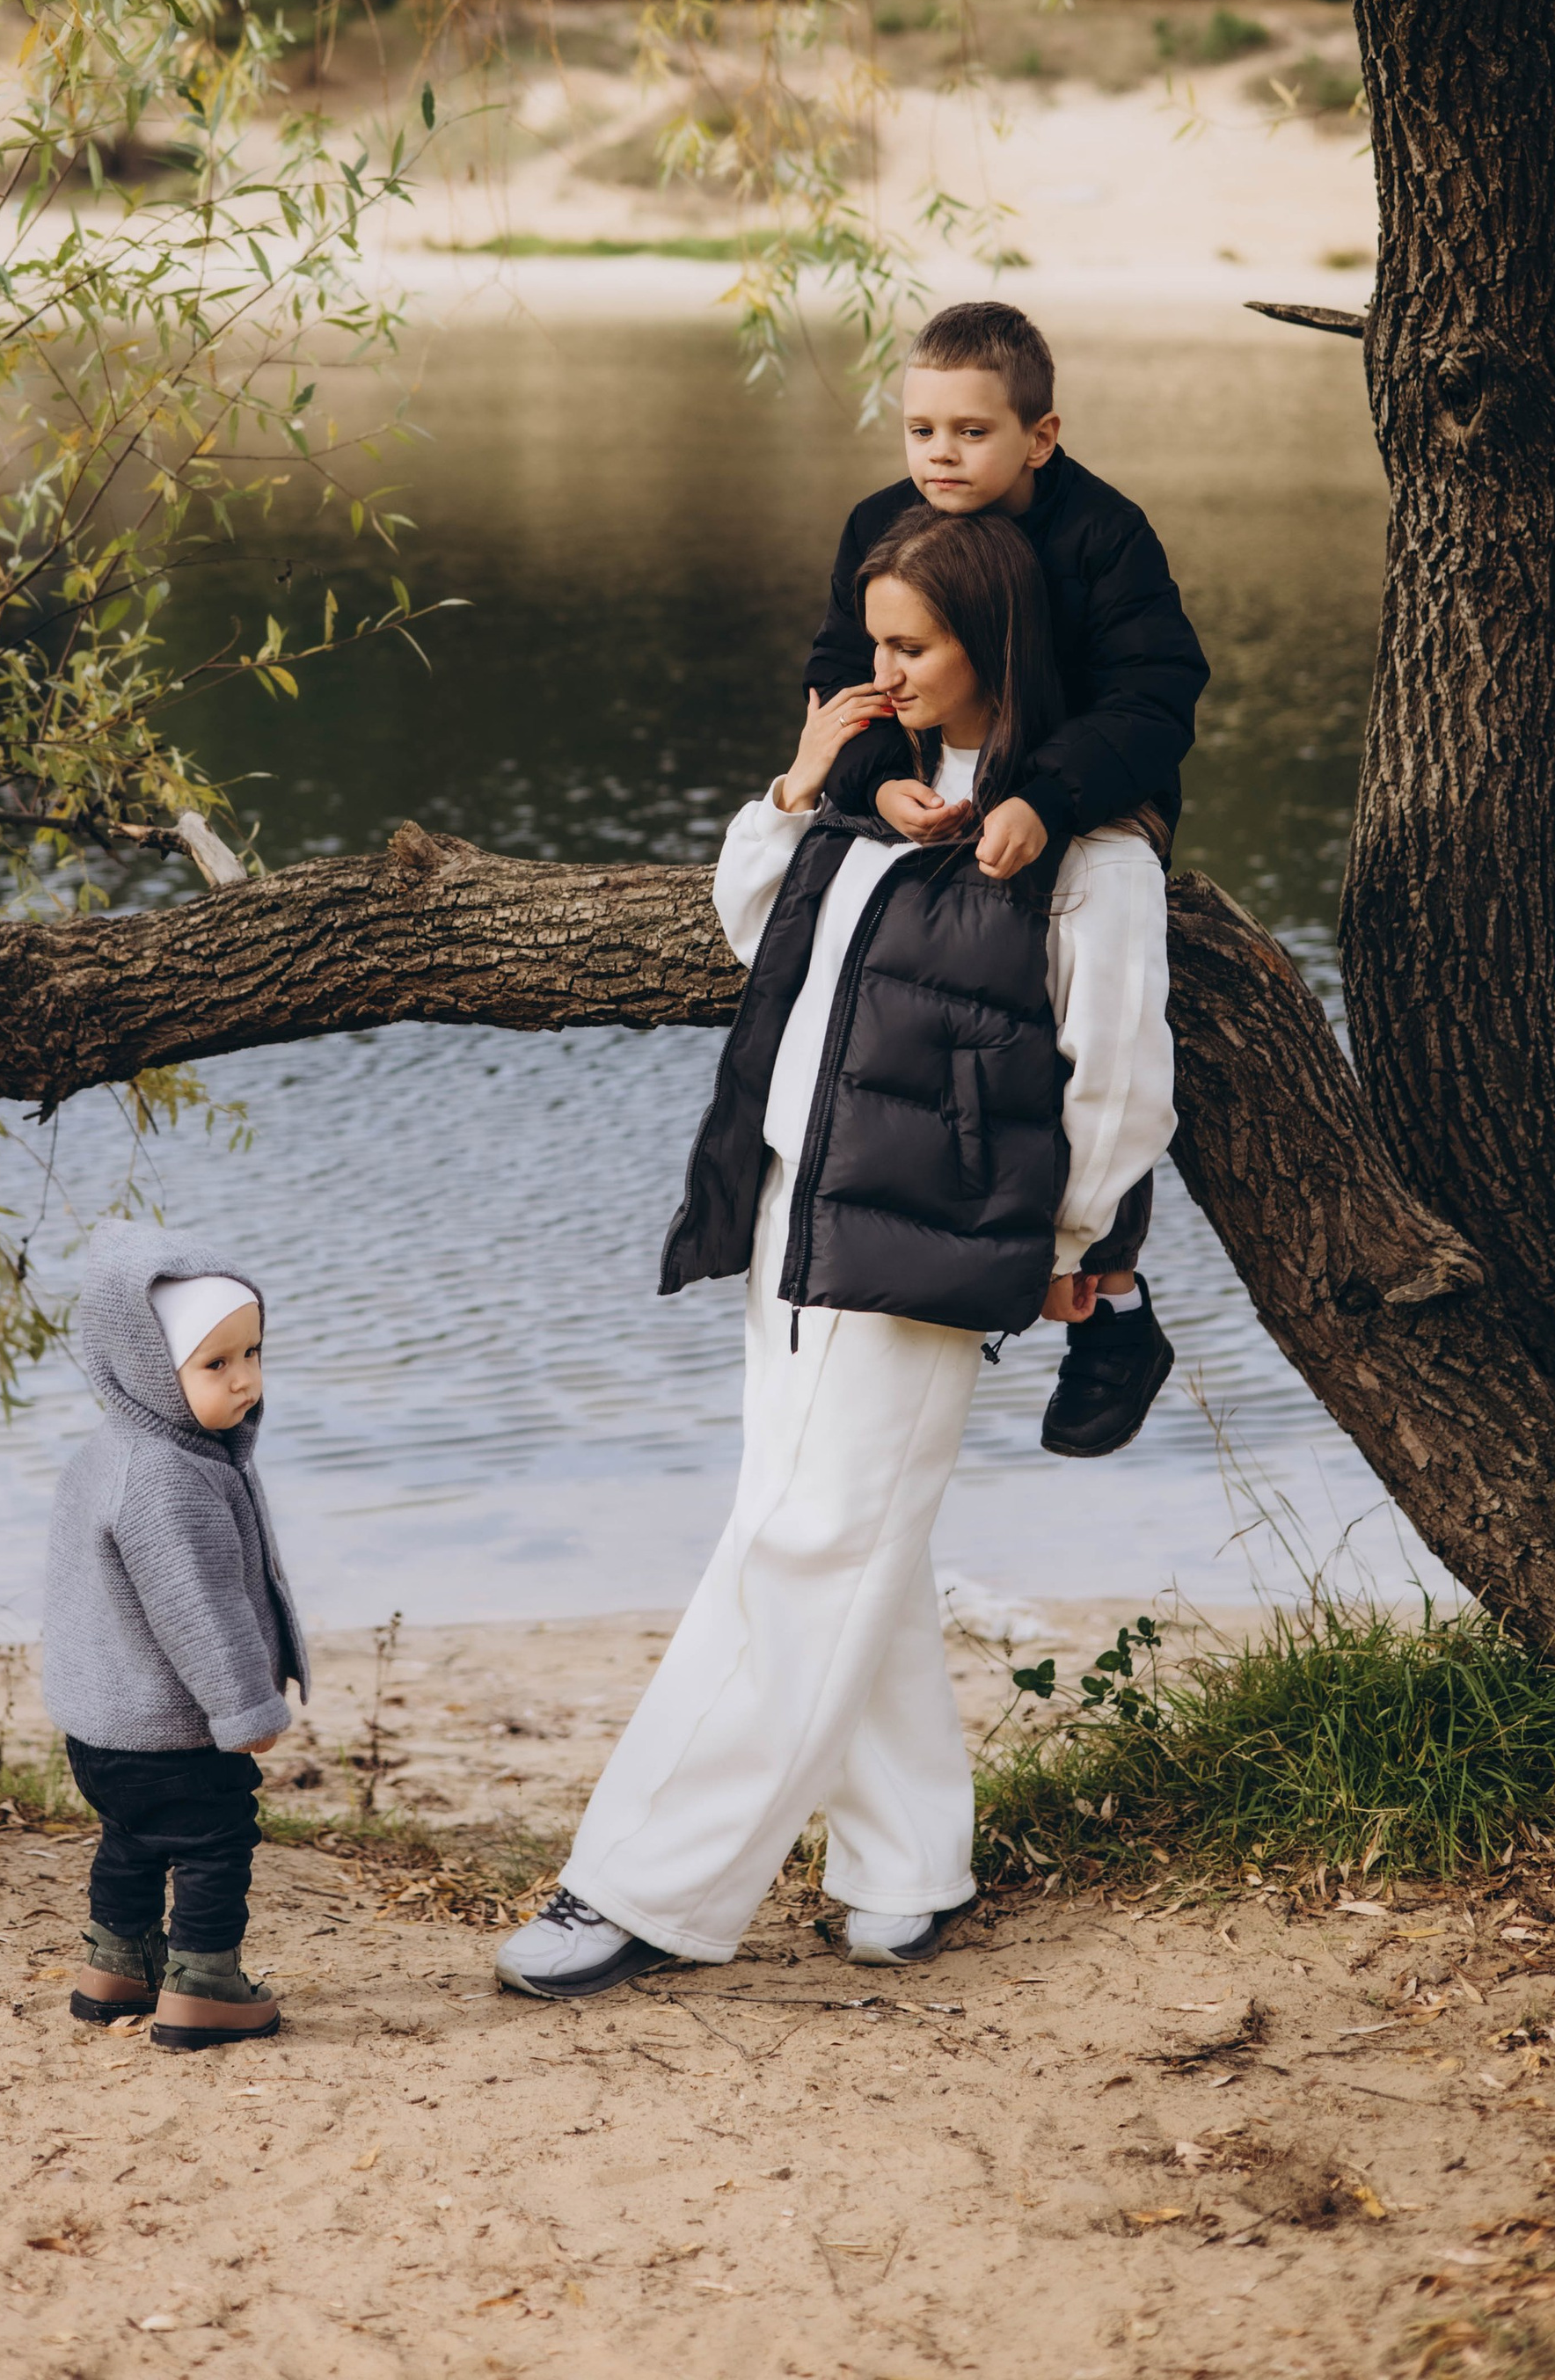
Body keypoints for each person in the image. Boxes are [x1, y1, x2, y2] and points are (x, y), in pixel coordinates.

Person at [495, 505, 1174, 2003]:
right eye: (872, 643)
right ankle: (909, 1865)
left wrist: (1068, 1247)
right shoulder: (881, 803)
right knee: (856, 1536)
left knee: (808, 1538)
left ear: (992, 647)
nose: (882, 671)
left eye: (910, 647)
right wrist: (805, 783)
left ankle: (641, 1889)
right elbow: (757, 933)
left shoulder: (1085, 853)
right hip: (792, 1215)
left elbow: (1121, 1085)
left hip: (927, 1247)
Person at [804, 296, 1204, 1458]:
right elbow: (845, 672)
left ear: (1041, 435)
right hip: (933, 789)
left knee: (1104, 1020)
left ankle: (1106, 1294)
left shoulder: (1103, 534)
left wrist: (1049, 799)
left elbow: (1157, 695)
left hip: (1084, 800)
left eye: (971, 432)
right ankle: (942, 1256)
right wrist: (877, 782)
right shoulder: (884, 525)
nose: (940, 453)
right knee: (919, 1016)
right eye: (920, 428)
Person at [40, 1229, 307, 2052]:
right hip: (172, 1731)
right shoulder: (166, 1477)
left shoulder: (112, 1451)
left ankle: (115, 1965)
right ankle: (206, 1985)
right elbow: (200, 1613)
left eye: (252, 1353)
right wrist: (247, 1711)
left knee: (133, 1838)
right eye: (215, 1364)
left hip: (102, 1731)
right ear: (151, 1370)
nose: (246, 1380)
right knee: (215, 1843)